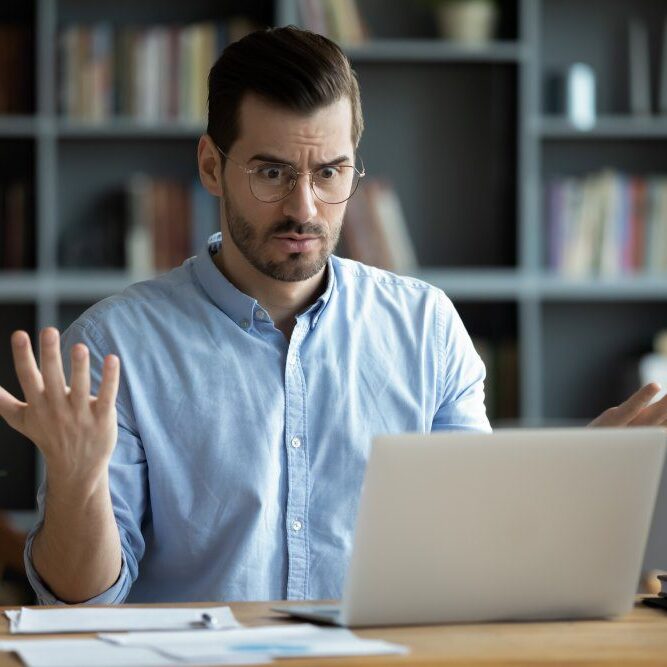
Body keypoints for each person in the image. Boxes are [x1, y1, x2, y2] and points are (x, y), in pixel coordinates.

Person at [0, 27, 666, 606]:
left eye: (329, 172)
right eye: (271, 172)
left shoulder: (425, 327)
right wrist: (78, 478)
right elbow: (79, 598)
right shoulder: (115, 346)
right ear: (211, 164)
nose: (305, 209)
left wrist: (581, 485)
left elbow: (472, 556)